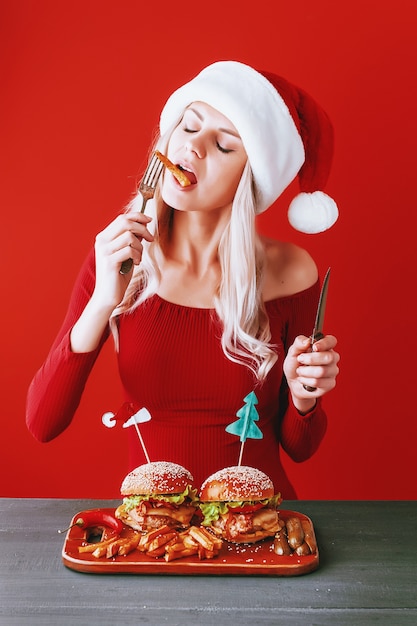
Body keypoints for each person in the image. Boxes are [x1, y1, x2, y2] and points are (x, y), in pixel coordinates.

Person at [26, 61, 340, 499]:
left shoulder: (292, 272)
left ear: (249, 182)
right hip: (152, 532)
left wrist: (304, 395)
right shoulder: (119, 257)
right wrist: (102, 303)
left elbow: (300, 447)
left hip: (259, 529)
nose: (192, 148)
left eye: (224, 146)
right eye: (188, 127)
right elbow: (42, 422)